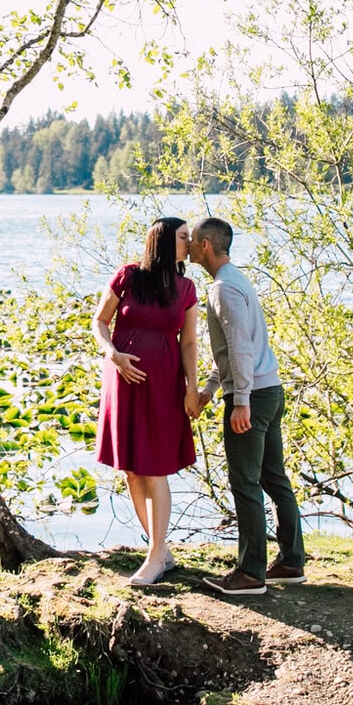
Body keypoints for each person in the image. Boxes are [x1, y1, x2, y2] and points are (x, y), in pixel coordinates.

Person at [187, 215, 305, 595]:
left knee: (245, 483)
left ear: (205, 245)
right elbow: (234, 350)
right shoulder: (236, 280)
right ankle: (290, 562)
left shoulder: (223, 288)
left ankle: (250, 573)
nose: (187, 246)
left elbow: (240, 348)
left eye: (191, 240)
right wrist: (208, 388)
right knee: (274, 478)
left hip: (252, 396)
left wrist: (240, 402)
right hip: (268, 390)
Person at [93, 215, 200, 586]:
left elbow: (188, 342)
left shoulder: (186, 288)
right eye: (185, 237)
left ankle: (155, 556)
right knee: (132, 468)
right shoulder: (128, 276)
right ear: (164, 241)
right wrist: (113, 355)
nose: (191, 242)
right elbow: (100, 322)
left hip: (163, 384)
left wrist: (191, 387)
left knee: (155, 467)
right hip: (122, 380)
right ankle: (161, 551)